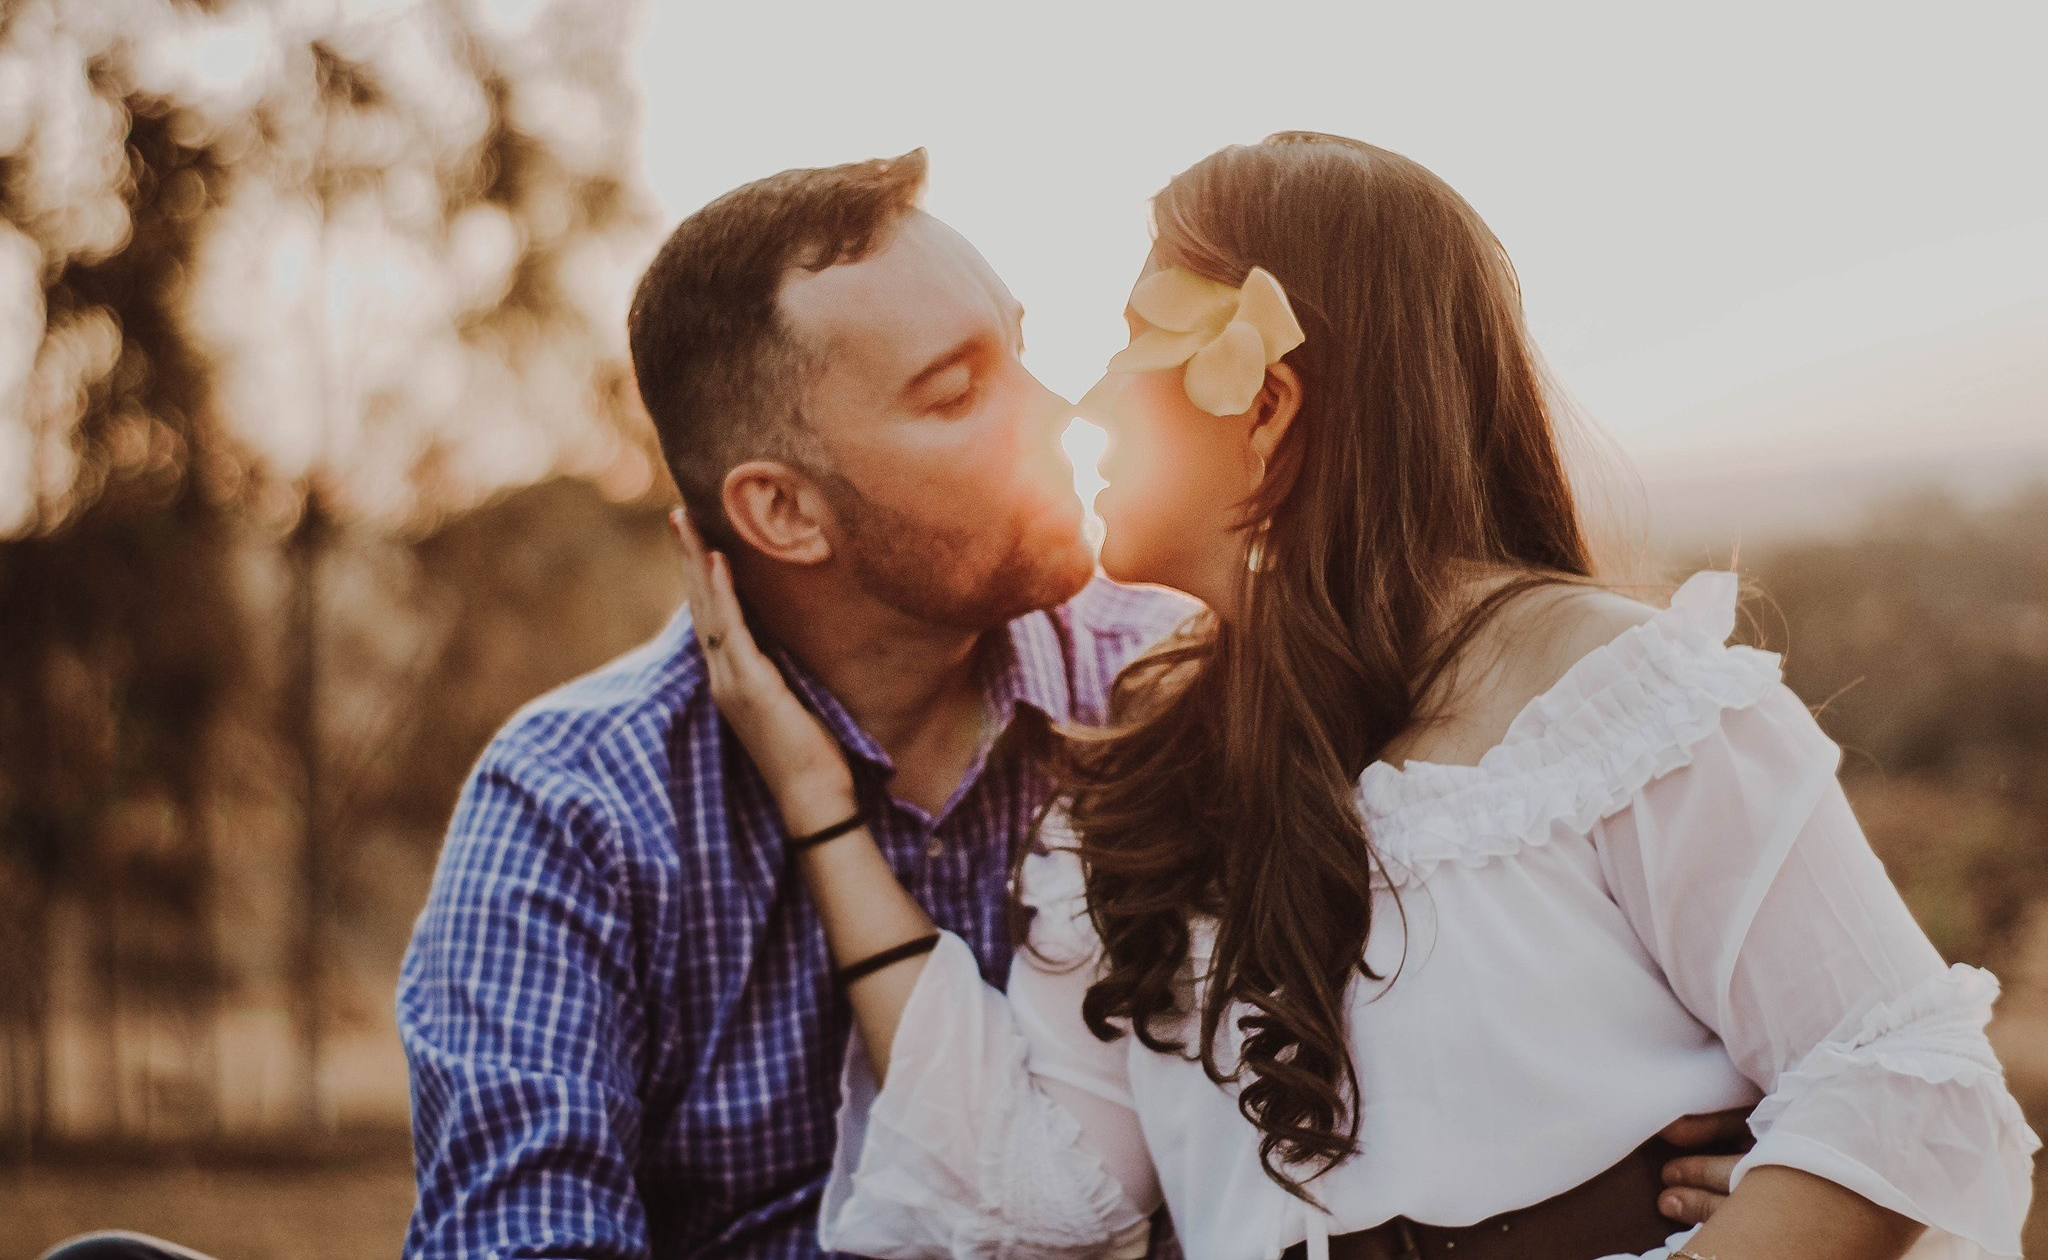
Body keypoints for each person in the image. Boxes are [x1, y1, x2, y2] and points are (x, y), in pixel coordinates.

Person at [35, 147, 1750, 1260]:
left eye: (1020, 337)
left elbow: (1513, 930)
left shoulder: (1196, 685)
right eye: (960, 388)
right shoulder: (576, 810)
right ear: (786, 510)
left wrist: (1682, 1153)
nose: (1066, 400)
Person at [672, 133, 2042, 1260]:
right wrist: (819, 806)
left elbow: (1896, 1080)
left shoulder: (1627, 709)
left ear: (1265, 402)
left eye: (1130, 342)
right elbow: (1028, 1189)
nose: (1082, 402)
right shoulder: (1130, 800)